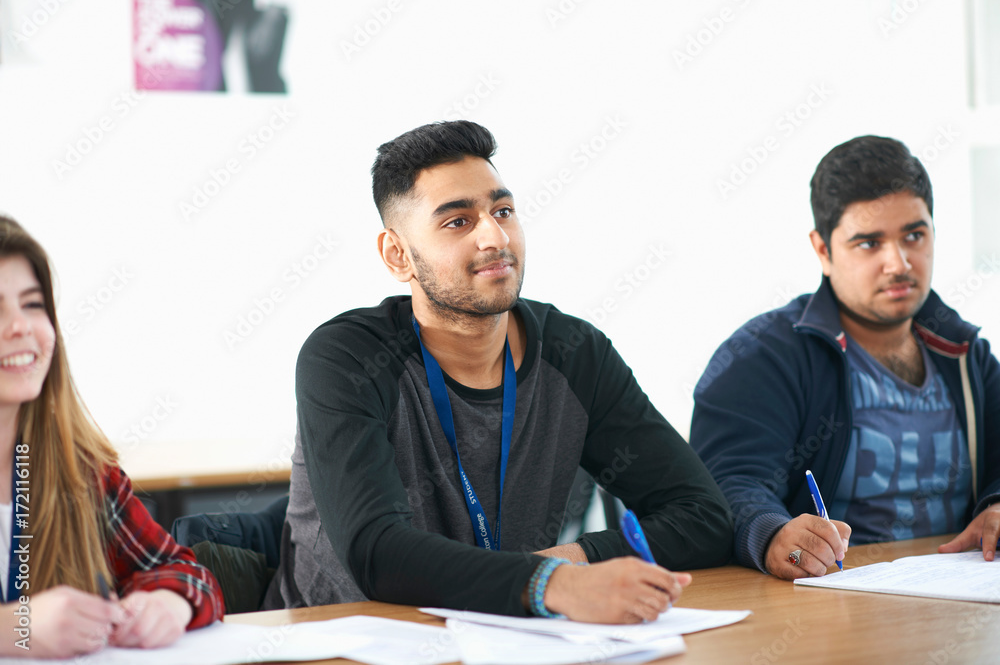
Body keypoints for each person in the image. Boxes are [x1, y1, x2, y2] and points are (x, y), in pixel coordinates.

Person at [264, 121, 733, 622]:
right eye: (458, 222)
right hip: (341, 639)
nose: (495, 236)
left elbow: (703, 516)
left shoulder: (574, 352)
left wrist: (569, 563)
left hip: (505, 633)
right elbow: (377, 554)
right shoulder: (347, 358)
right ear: (398, 256)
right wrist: (551, 583)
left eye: (502, 211)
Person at [690, 135, 1000, 580]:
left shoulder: (966, 354)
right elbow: (727, 483)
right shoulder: (763, 355)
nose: (899, 263)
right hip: (830, 598)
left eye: (914, 235)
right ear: (823, 250)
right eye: (869, 243)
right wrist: (772, 534)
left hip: (958, 592)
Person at [0, 216, 224, 658]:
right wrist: (15, 627)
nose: (20, 326)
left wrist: (168, 604)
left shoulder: (82, 471)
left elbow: (189, 575)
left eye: (32, 304)